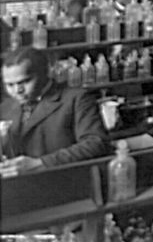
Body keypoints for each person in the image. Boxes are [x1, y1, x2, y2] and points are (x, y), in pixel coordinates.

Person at [0, 47, 110, 175]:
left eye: (24, 82)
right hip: (19, 186)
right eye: (10, 85)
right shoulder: (5, 107)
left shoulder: (76, 98)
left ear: (44, 73)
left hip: (63, 182)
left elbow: (96, 143)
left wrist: (42, 163)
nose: (17, 91)